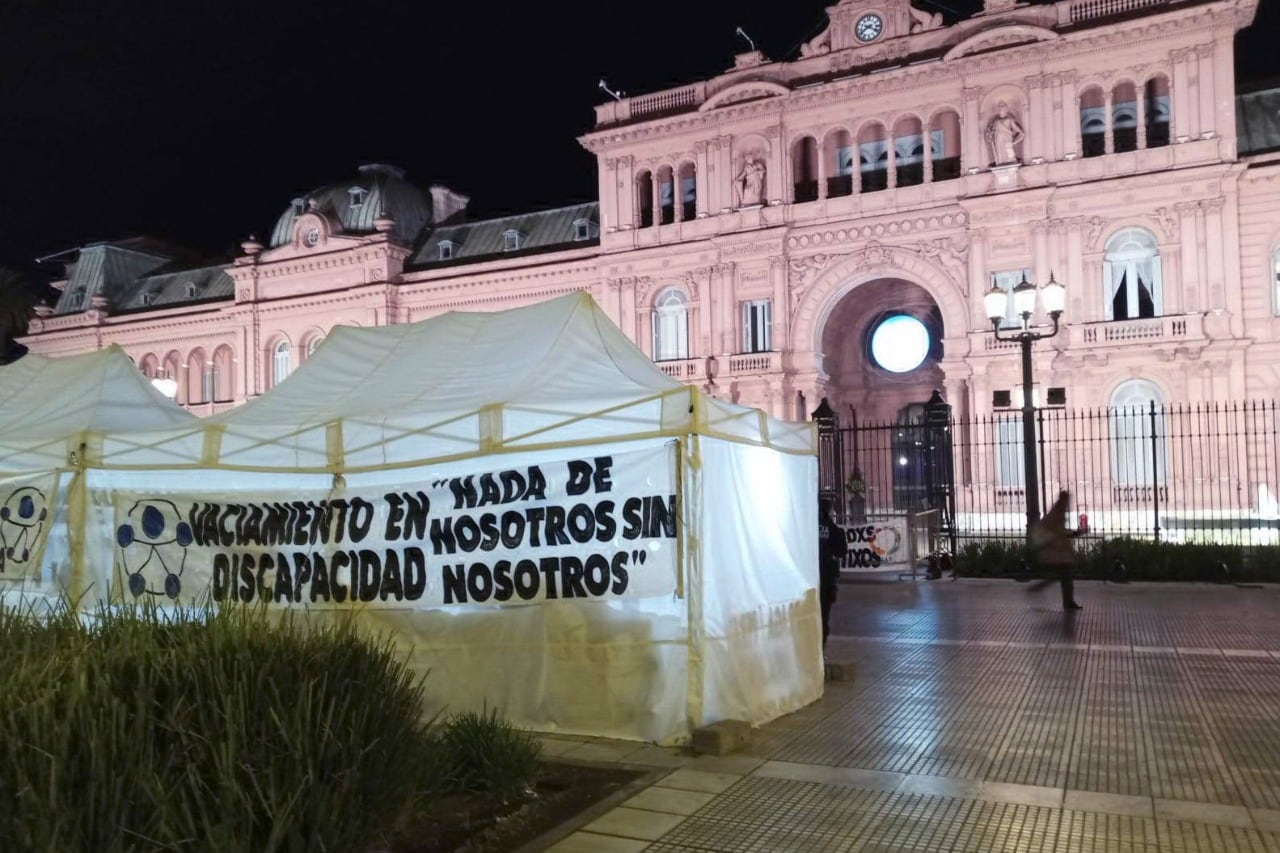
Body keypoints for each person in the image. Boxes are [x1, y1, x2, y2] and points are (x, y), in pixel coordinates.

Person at [1030, 489, 1081, 610]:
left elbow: (1059, 531)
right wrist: (1073, 533)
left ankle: (1068, 602)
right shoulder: (1057, 513)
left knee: (1064, 576)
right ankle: (1067, 602)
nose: (1069, 502)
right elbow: (1059, 532)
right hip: (1058, 552)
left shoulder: (1058, 511)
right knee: (1065, 576)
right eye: (1067, 500)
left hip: (1059, 551)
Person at [818, 497, 848, 650]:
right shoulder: (833, 529)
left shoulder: (808, 528)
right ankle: (820, 650)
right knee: (823, 617)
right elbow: (841, 550)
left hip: (810, 581)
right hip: (826, 579)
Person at [985, 101, 1025, 166]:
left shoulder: (1009, 120)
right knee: (1001, 161)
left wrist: (1013, 142)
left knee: (1010, 159)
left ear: (1006, 109)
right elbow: (989, 135)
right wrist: (990, 135)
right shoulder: (995, 121)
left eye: (1002, 107)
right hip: (998, 143)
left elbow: (1021, 133)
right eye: (999, 108)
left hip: (1007, 142)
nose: (1001, 109)